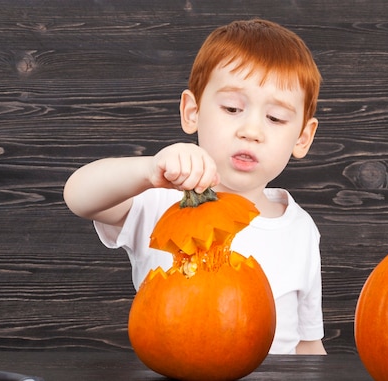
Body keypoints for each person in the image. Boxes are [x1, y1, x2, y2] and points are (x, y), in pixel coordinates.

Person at [64, 19, 327, 355]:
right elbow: (79, 196)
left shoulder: (300, 228)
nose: (251, 130)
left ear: (302, 138)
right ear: (192, 112)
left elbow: (308, 342)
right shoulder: (159, 200)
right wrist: (148, 170)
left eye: (275, 118)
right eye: (232, 108)